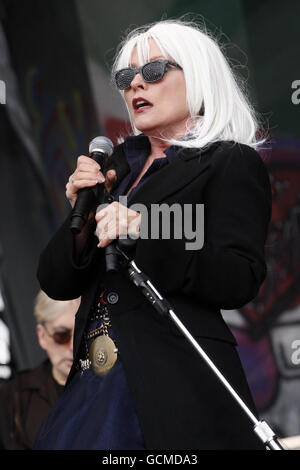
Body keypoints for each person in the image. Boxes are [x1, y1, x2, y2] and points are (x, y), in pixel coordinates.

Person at [34, 19, 272, 450]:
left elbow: (238, 275)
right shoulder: (117, 169)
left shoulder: (227, 162)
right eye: (126, 78)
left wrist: (147, 226)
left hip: (175, 383)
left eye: (156, 71)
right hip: (95, 384)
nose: (136, 85)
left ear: (198, 74)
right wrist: (81, 215)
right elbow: (55, 280)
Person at [0, 290, 79, 449]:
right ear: (42, 336)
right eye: (61, 335)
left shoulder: (113, 385)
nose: (73, 347)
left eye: (80, 335)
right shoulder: (13, 397)